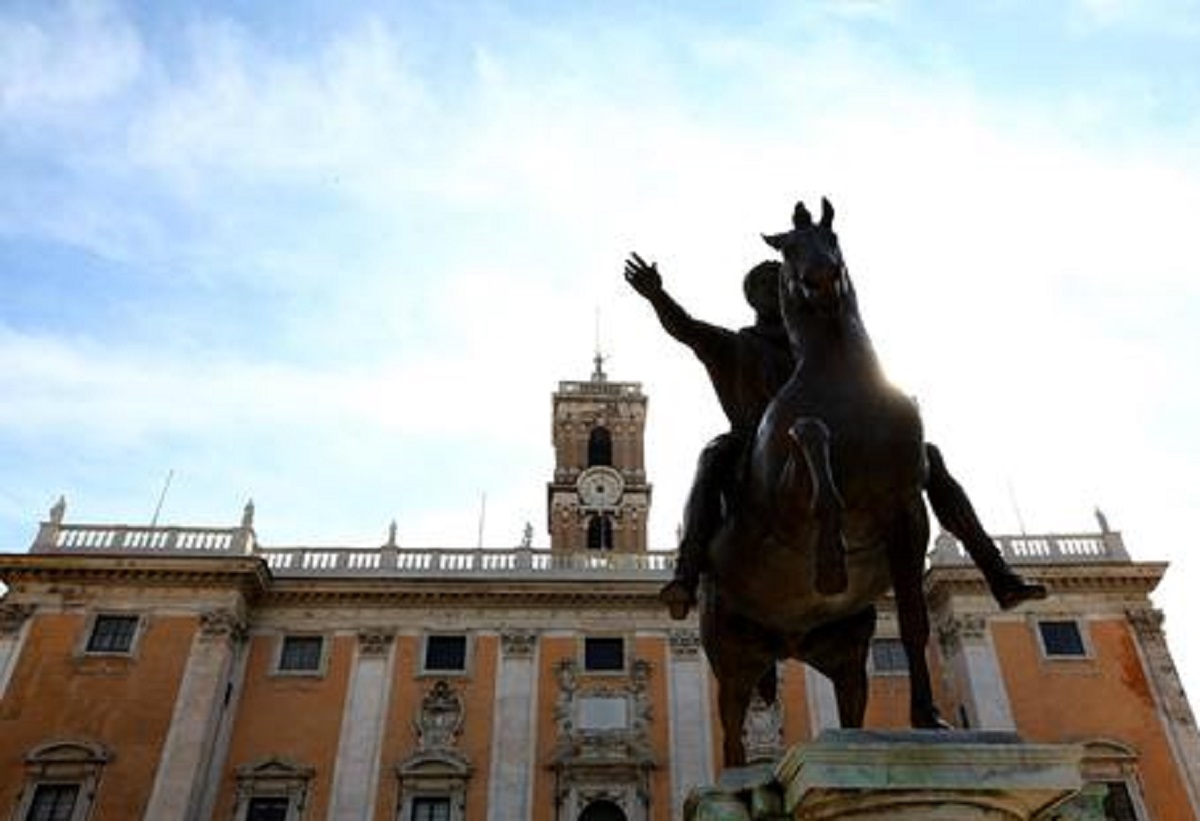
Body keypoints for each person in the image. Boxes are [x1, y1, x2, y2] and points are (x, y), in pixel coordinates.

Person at [624, 253, 1045, 619]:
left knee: (926, 456)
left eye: (780, 282)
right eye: (765, 285)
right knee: (712, 457)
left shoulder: (818, 347)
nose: (775, 290)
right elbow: (686, 328)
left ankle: (996, 571)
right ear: (752, 298)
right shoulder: (735, 345)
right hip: (756, 447)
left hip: (836, 445)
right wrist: (656, 294)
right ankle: (688, 571)